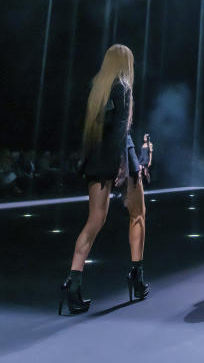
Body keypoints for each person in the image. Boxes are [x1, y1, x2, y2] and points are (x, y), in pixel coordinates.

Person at [59, 44, 149, 316]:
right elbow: (122, 128)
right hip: (122, 153)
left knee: (95, 220)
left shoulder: (96, 88)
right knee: (138, 214)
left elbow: (93, 126)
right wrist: (123, 162)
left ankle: (73, 283)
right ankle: (137, 276)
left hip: (97, 154)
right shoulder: (123, 86)